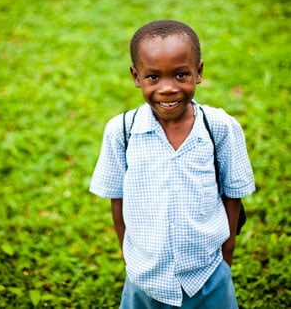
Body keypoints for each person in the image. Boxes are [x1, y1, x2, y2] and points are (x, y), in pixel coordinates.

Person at [90, 20, 255, 308]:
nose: (168, 89)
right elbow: (117, 199)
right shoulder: (122, 131)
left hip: (208, 275)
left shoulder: (220, 127)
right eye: (153, 77)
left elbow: (233, 193)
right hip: (145, 279)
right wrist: (130, 257)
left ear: (199, 72)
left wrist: (226, 252)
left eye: (180, 75)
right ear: (136, 76)